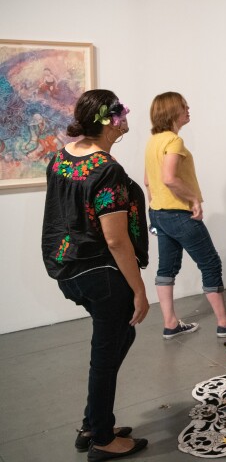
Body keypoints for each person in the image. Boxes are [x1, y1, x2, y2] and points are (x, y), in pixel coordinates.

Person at [41, 89, 150, 460]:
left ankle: (94, 420)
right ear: (109, 121)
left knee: (119, 338)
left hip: (68, 269)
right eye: (120, 110)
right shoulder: (107, 169)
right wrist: (139, 290)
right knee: (106, 352)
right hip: (101, 273)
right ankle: (102, 438)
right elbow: (116, 240)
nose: (126, 115)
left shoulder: (59, 159)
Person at [144, 92, 226, 340]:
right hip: (179, 214)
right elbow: (169, 178)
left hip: (159, 213)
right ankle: (224, 323)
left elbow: (147, 181)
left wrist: (155, 208)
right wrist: (193, 199)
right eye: (184, 106)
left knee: (166, 267)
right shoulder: (173, 142)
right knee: (210, 263)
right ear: (173, 111)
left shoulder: (153, 142)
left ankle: (170, 324)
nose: (188, 108)